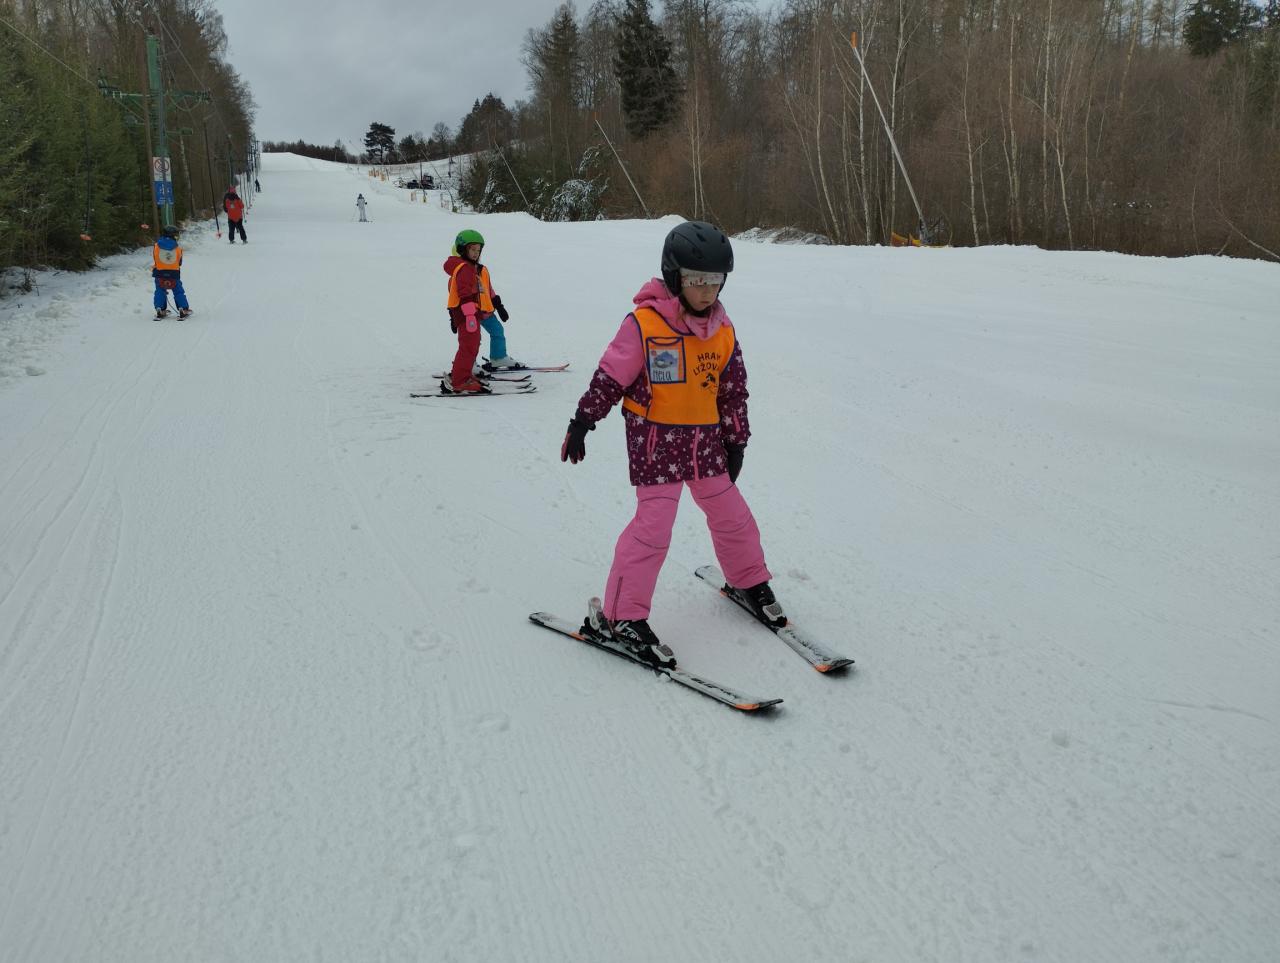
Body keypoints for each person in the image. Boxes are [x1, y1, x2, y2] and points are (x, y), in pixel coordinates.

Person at [559, 220, 781, 668]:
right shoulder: (644, 324)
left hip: (705, 446)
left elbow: (732, 392)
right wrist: (583, 420)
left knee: (733, 515)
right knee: (653, 530)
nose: (707, 291)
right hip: (656, 446)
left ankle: (747, 579)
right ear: (675, 276)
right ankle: (621, 617)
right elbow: (610, 377)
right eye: (697, 281)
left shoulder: (722, 330)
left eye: (715, 281)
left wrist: (735, 441)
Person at [442, 229, 514, 392]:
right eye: (472, 249)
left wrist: (498, 306)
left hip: (474, 313)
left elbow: (485, 291)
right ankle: (460, 381)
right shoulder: (465, 269)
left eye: (478, 250)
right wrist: (469, 315)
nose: (476, 253)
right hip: (468, 314)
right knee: (468, 346)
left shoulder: (471, 268)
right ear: (462, 250)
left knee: (472, 344)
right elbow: (464, 294)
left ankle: (465, 374)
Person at [151, 224, 193, 320]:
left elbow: (155, 258)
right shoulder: (177, 248)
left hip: (159, 272)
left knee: (160, 290)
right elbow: (180, 262)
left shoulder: (156, 246)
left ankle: (160, 309)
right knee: (178, 291)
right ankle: (183, 309)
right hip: (173, 273)